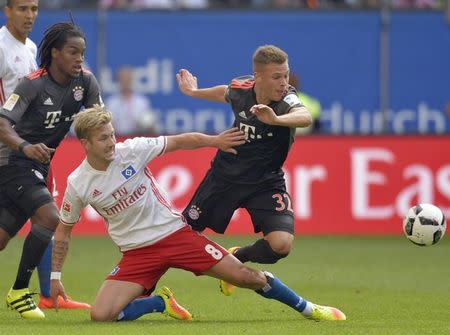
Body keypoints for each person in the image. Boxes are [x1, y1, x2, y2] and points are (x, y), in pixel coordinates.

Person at [50, 106, 345, 322]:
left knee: (245, 277)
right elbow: (63, 231)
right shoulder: (79, 183)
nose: (112, 142)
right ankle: (159, 303)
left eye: (112, 135)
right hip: (136, 253)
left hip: (174, 235)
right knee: (102, 316)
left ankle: (308, 308)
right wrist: (55, 275)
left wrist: (214, 140)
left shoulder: (132, 150)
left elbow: (179, 141)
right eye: (103, 138)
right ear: (85, 143)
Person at [176, 45, 311, 296]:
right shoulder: (241, 88)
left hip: (265, 182)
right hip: (224, 177)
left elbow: (304, 116)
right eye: (276, 77)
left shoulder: (286, 101)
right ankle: (142, 289)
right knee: (182, 235)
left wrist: (277, 120)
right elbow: (225, 93)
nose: (284, 83)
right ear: (257, 77)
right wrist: (194, 92)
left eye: (286, 75)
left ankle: (238, 256)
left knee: (281, 245)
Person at [0, 21, 103, 319]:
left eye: (82, 53)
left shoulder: (85, 82)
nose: (79, 59)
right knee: (49, 216)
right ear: (55, 53)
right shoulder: (32, 84)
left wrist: (106, 141)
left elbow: (99, 119)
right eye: (73, 52)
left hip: (38, 164)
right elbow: (3, 123)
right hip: (12, 160)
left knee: (3, 236)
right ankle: (19, 291)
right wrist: (24, 147)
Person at [105, 65, 158, 136]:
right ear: (118, 80)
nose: (125, 82)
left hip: (137, 139)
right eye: (123, 79)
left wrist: (147, 125)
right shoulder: (111, 102)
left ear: (131, 80)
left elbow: (150, 124)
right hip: (117, 139)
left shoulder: (142, 102)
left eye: (127, 79)